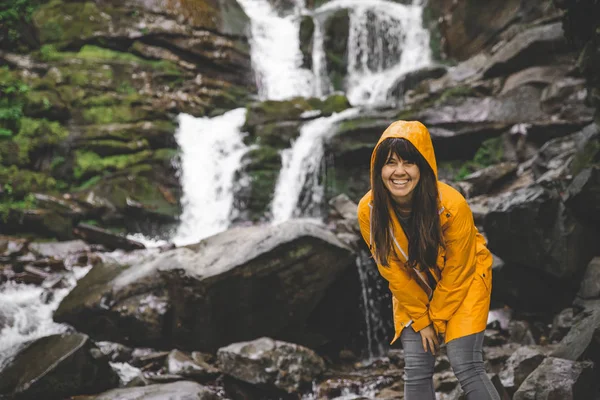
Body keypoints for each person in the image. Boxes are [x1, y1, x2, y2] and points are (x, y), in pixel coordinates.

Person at [357, 120, 501, 400]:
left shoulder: (452, 205)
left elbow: (459, 269)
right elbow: (391, 270)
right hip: (413, 286)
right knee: (417, 366)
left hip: (465, 280)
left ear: (423, 168)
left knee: (465, 363)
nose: (399, 172)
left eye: (408, 163)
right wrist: (422, 321)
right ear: (378, 169)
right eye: (390, 163)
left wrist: (435, 318)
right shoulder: (369, 210)